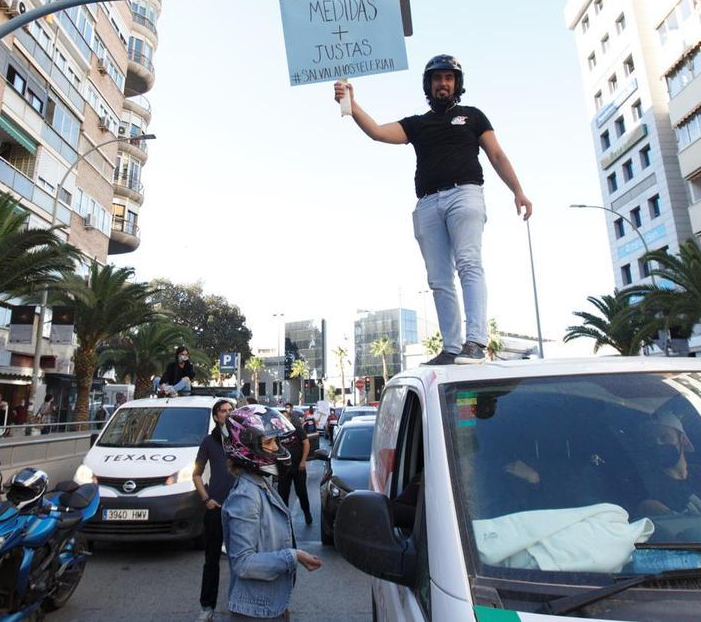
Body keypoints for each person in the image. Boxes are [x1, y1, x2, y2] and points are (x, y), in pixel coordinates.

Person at [335, 55, 533, 365]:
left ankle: (476, 341)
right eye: (437, 78)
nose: (443, 83)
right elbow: (376, 132)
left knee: (469, 263)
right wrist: (351, 103)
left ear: (457, 83)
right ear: (429, 85)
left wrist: (518, 191)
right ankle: (452, 348)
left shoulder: (473, 117)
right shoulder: (417, 124)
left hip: (465, 194)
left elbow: (496, 155)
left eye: (448, 78)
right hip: (427, 202)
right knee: (439, 279)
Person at [221, 405, 322, 619]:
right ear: (247, 446)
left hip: (267, 606)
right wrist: (294, 556)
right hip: (254, 614)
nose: (276, 448)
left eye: (276, 441)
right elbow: (243, 563)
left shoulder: (260, 483)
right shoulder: (246, 495)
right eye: (269, 442)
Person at [193, 399, 236, 620]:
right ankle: (207, 607)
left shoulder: (241, 439)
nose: (228, 414)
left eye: (231, 410)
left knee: (242, 559)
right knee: (211, 560)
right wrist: (206, 499)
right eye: (223, 411)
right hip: (216, 507)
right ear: (216, 415)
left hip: (241, 508)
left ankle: (241, 604)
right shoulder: (209, 442)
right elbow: (196, 474)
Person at [276, 403, 312, 525]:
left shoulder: (297, 428)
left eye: (286, 417)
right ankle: (285, 520)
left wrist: (303, 461)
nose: (284, 420)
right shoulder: (276, 433)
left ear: (290, 418)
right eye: (281, 418)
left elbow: (306, 443)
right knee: (283, 495)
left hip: (298, 468)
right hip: (283, 469)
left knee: (301, 492)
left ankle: (307, 514)